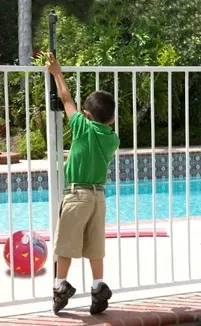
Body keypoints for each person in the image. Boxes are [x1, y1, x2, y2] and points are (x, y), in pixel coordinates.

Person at [44, 53, 120, 315]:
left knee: (65, 244)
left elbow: (66, 99)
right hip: (98, 197)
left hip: (77, 195)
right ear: (111, 119)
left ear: (86, 115)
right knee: (94, 247)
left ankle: (60, 287)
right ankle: (98, 288)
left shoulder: (82, 127)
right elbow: (101, 122)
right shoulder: (113, 139)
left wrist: (56, 72)